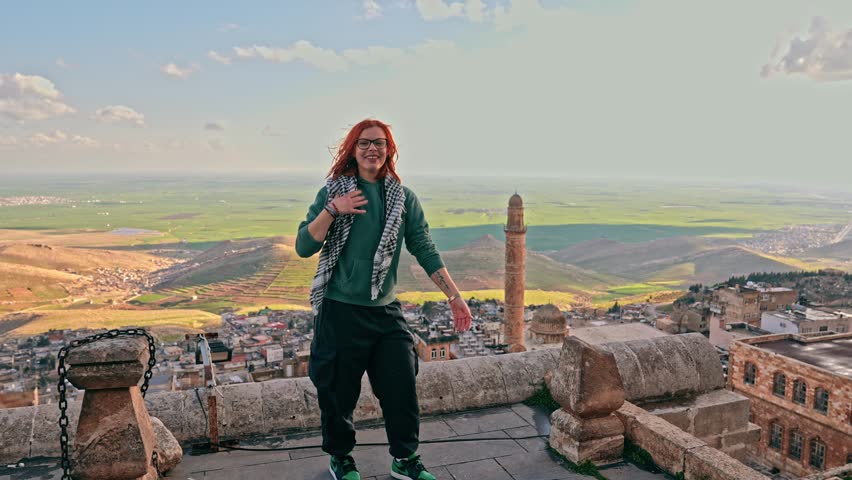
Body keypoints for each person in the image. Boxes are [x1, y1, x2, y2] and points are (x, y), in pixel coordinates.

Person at [296, 119, 472, 480]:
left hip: (385, 310)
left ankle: (405, 459)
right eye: (363, 143)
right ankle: (341, 457)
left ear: (389, 149)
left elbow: (424, 247)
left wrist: (454, 296)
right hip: (340, 309)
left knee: (401, 385)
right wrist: (334, 210)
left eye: (379, 143)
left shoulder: (404, 199)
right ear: (353, 149)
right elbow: (303, 245)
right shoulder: (333, 193)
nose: (371, 149)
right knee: (337, 392)